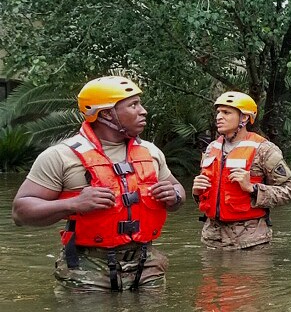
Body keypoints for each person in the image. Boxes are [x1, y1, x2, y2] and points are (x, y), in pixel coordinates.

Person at [12, 76, 185, 291]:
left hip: (147, 265)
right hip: (86, 269)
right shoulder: (60, 156)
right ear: (106, 114)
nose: (143, 111)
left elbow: (178, 191)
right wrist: (73, 204)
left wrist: (175, 195)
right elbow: (20, 212)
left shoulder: (150, 152)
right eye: (133, 105)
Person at [193, 91, 291, 249]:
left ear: (245, 118)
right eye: (218, 112)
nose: (219, 117)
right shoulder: (211, 149)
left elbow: (289, 191)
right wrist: (197, 192)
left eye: (226, 112)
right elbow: (207, 196)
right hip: (212, 239)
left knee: (248, 274)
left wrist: (253, 188)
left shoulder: (264, 150)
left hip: (250, 241)